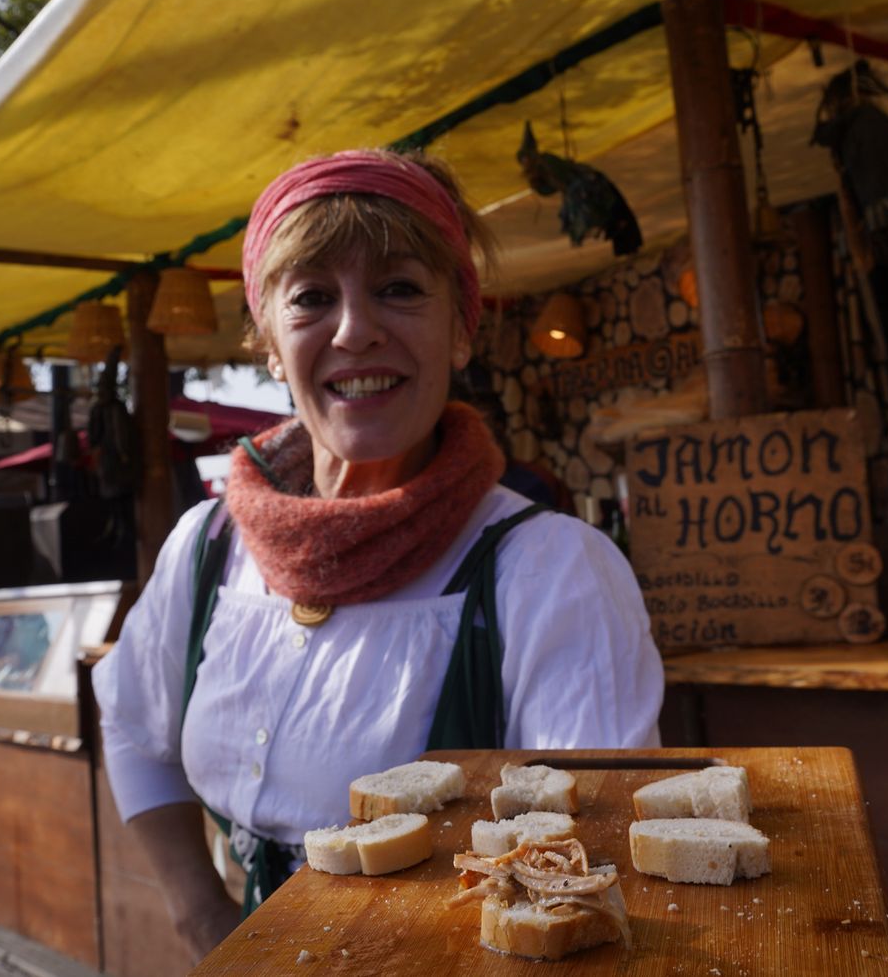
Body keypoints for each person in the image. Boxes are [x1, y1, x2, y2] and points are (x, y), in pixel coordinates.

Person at [91, 149, 664, 966]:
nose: (355, 330)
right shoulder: (208, 547)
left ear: (462, 330)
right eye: (313, 298)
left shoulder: (551, 571)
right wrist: (198, 912)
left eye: (400, 288)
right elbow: (133, 725)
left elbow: (592, 867)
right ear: (267, 344)